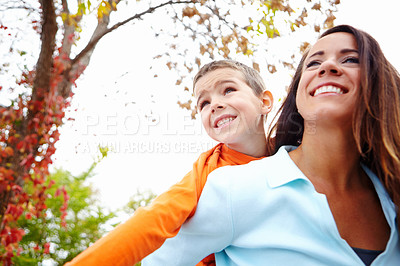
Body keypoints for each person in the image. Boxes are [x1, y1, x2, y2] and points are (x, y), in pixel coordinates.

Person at [142, 25, 400, 265]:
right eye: (314, 62)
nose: (329, 66)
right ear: (299, 90)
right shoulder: (232, 188)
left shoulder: (391, 196)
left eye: (351, 59)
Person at [65, 60, 274, 265]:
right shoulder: (208, 170)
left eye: (228, 90)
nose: (215, 105)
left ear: (264, 102)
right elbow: (154, 219)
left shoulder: (293, 153)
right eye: (204, 103)